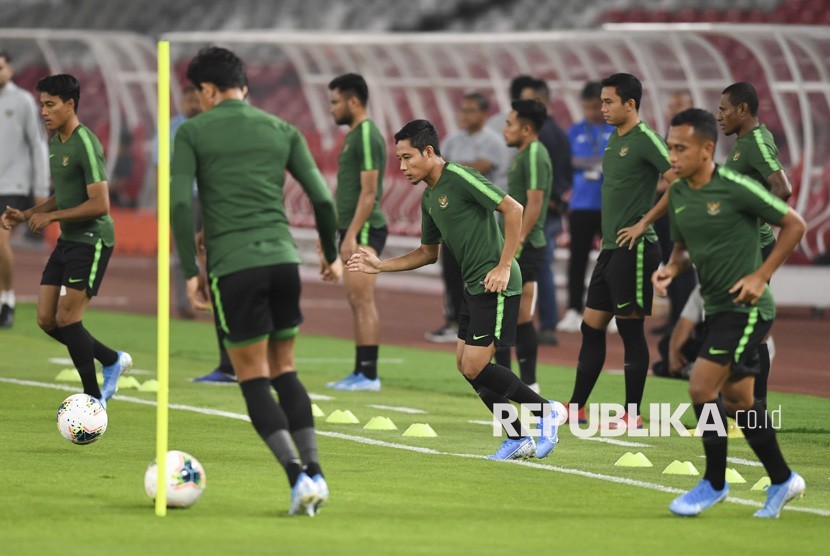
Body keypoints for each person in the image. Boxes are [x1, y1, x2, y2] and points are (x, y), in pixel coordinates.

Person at [170, 47, 342, 516]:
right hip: (285, 262)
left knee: (252, 378)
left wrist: (190, 272)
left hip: (235, 267)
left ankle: (295, 479)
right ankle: (317, 473)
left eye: (197, 93)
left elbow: (181, 205)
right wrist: (330, 253)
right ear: (243, 85)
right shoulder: (282, 128)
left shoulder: (193, 131)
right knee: (285, 369)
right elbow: (323, 202)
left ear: (207, 90)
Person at [347, 119, 560, 461]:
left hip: (497, 284)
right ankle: (518, 436)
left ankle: (546, 411)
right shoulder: (429, 197)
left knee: (477, 365)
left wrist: (504, 266)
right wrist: (380, 265)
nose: (402, 167)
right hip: (472, 286)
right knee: (465, 365)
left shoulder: (459, 177)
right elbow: (428, 253)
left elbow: (513, 209)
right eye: (399, 159)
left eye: (407, 158)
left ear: (429, 152)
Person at [654, 107, 806, 518]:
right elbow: (684, 249)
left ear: (707, 150)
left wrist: (761, 275)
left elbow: (795, 224)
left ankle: (714, 484)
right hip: (717, 309)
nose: (673, 156)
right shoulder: (681, 192)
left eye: (681, 148)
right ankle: (782, 479)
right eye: (670, 147)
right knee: (740, 402)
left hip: (749, 308)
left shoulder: (735, 187)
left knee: (701, 387)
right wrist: (671, 267)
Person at [1, 74, 131, 407]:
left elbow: (100, 203)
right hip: (70, 240)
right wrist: (28, 213)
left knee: (68, 318)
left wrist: (51, 218)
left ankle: (92, 399)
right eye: (41, 105)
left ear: (69, 104)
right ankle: (112, 359)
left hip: (93, 239)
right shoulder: (57, 142)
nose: (43, 112)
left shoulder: (85, 142)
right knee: (46, 319)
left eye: (49, 105)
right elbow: (64, 195)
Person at [566, 73, 676, 427]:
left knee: (630, 331)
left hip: (637, 248)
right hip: (612, 247)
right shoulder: (614, 139)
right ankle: (576, 406)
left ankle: (632, 414)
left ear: (631, 104)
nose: (603, 108)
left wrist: (645, 222)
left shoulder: (647, 140)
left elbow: (681, 182)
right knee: (591, 327)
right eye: (602, 101)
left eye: (609, 101)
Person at [718, 81, 792, 410]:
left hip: (752, 250)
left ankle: (752, 407)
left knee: (746, 328)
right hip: (740, 250)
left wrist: (753, 221)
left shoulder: (757, 143)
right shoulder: (745, 141)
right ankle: (745, 408)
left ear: (742, 110)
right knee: (742, 328)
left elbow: (782, 187)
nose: (718, 116)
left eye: (724, 109)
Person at [154, 85, 235, 384]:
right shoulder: (171, 130)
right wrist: (163, 201)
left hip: (210, 198)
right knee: (183, 252)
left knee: (215, 254)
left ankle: (216, 307)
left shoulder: (210, 127)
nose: (192, 103)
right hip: (183, 198)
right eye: (187, 97)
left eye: (195, 97)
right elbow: (159, 166)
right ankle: (185, 304)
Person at [426, 91, 506, 343]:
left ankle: (480, 324)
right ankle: (453, 321)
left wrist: (451, 167)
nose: (465, 115)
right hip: (452, 221)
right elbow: (439, 169)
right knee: (451, 273)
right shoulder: (452, 139)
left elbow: (473, 171)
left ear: (484, 114)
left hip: (479, 223)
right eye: (463, 110)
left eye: (471, 110)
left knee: (477, 275)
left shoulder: (492, 141)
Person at [325, 73, 387, 391]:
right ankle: (359, 371)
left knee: (363, 299)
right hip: (352, 228)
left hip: (363, 229)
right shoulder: (354, 135)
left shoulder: (365, 134)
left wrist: (351, 235)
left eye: (336, 102)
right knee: (355, 298)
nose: (332, 109)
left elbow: (369, 192)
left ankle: (369, 374)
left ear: (353, 101)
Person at [494, 99, 552, 393]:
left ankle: (526, 383)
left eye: (509, 124)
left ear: (527, 129)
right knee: (514, 314)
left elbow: (535, 202)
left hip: (526, 246)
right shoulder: (523, 154)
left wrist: (515, 244)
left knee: (515, 314)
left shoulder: (534, 154)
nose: (505, 129)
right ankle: (515, 382)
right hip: (520, 245)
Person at [518, 79, 573, 345]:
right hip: (550, 209)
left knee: (539, 268)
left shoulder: (543, 137)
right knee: (540, 269)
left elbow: (539, 188)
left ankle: (546, 325)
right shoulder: (557, 132)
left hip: (543, 213)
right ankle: (540, 323)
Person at [557, 81, 614, 334]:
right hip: (580, 205)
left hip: (609, 206)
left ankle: (610, 312)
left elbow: (615, 161)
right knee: (577, 260)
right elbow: (568, 161)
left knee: (612, 261)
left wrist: (587, 162)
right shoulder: (575, 130)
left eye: (596, 106)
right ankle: (573, 309)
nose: (592, 111)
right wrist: (596, 162)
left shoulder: (614, 129)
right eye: (588, 107)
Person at [0, 50, 50, 329]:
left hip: (12, 184)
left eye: (1, 67)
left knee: (0, 242)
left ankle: (7, 301)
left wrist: (40, 185)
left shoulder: (22, 102)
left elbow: (37, 144)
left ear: (9, 70)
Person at [652, 90, 696, 338]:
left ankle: (683, 319)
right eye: (672, 104)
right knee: (670, 261)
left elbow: (681, 175)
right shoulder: (671, 134)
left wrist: (657, 187)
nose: (673, 108)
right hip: (666, 207)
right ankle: (674, 318)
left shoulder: (693, 135)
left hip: (682, 206)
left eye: (679, 103)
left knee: (682, 263)